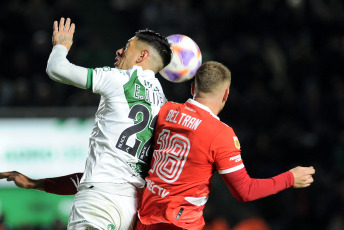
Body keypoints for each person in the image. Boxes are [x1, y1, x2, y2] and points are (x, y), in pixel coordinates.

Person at [1, 61, 315, 230]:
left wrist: (37, 183)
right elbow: (244, 191)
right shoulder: (221, 135)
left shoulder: (164, 114)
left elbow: (106, 176)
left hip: (144, 222)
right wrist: (291, 178)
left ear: (192, 86)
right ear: (226, 95)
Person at [0, 17, 172, 230]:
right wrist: (37, 184)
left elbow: (57, 69)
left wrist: (61, 46)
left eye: (127, 46)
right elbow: (105, 174)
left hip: (98, 203)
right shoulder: (165, 107)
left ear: (142, 55)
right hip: (130, 209)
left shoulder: (119, 79)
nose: (119, 51)